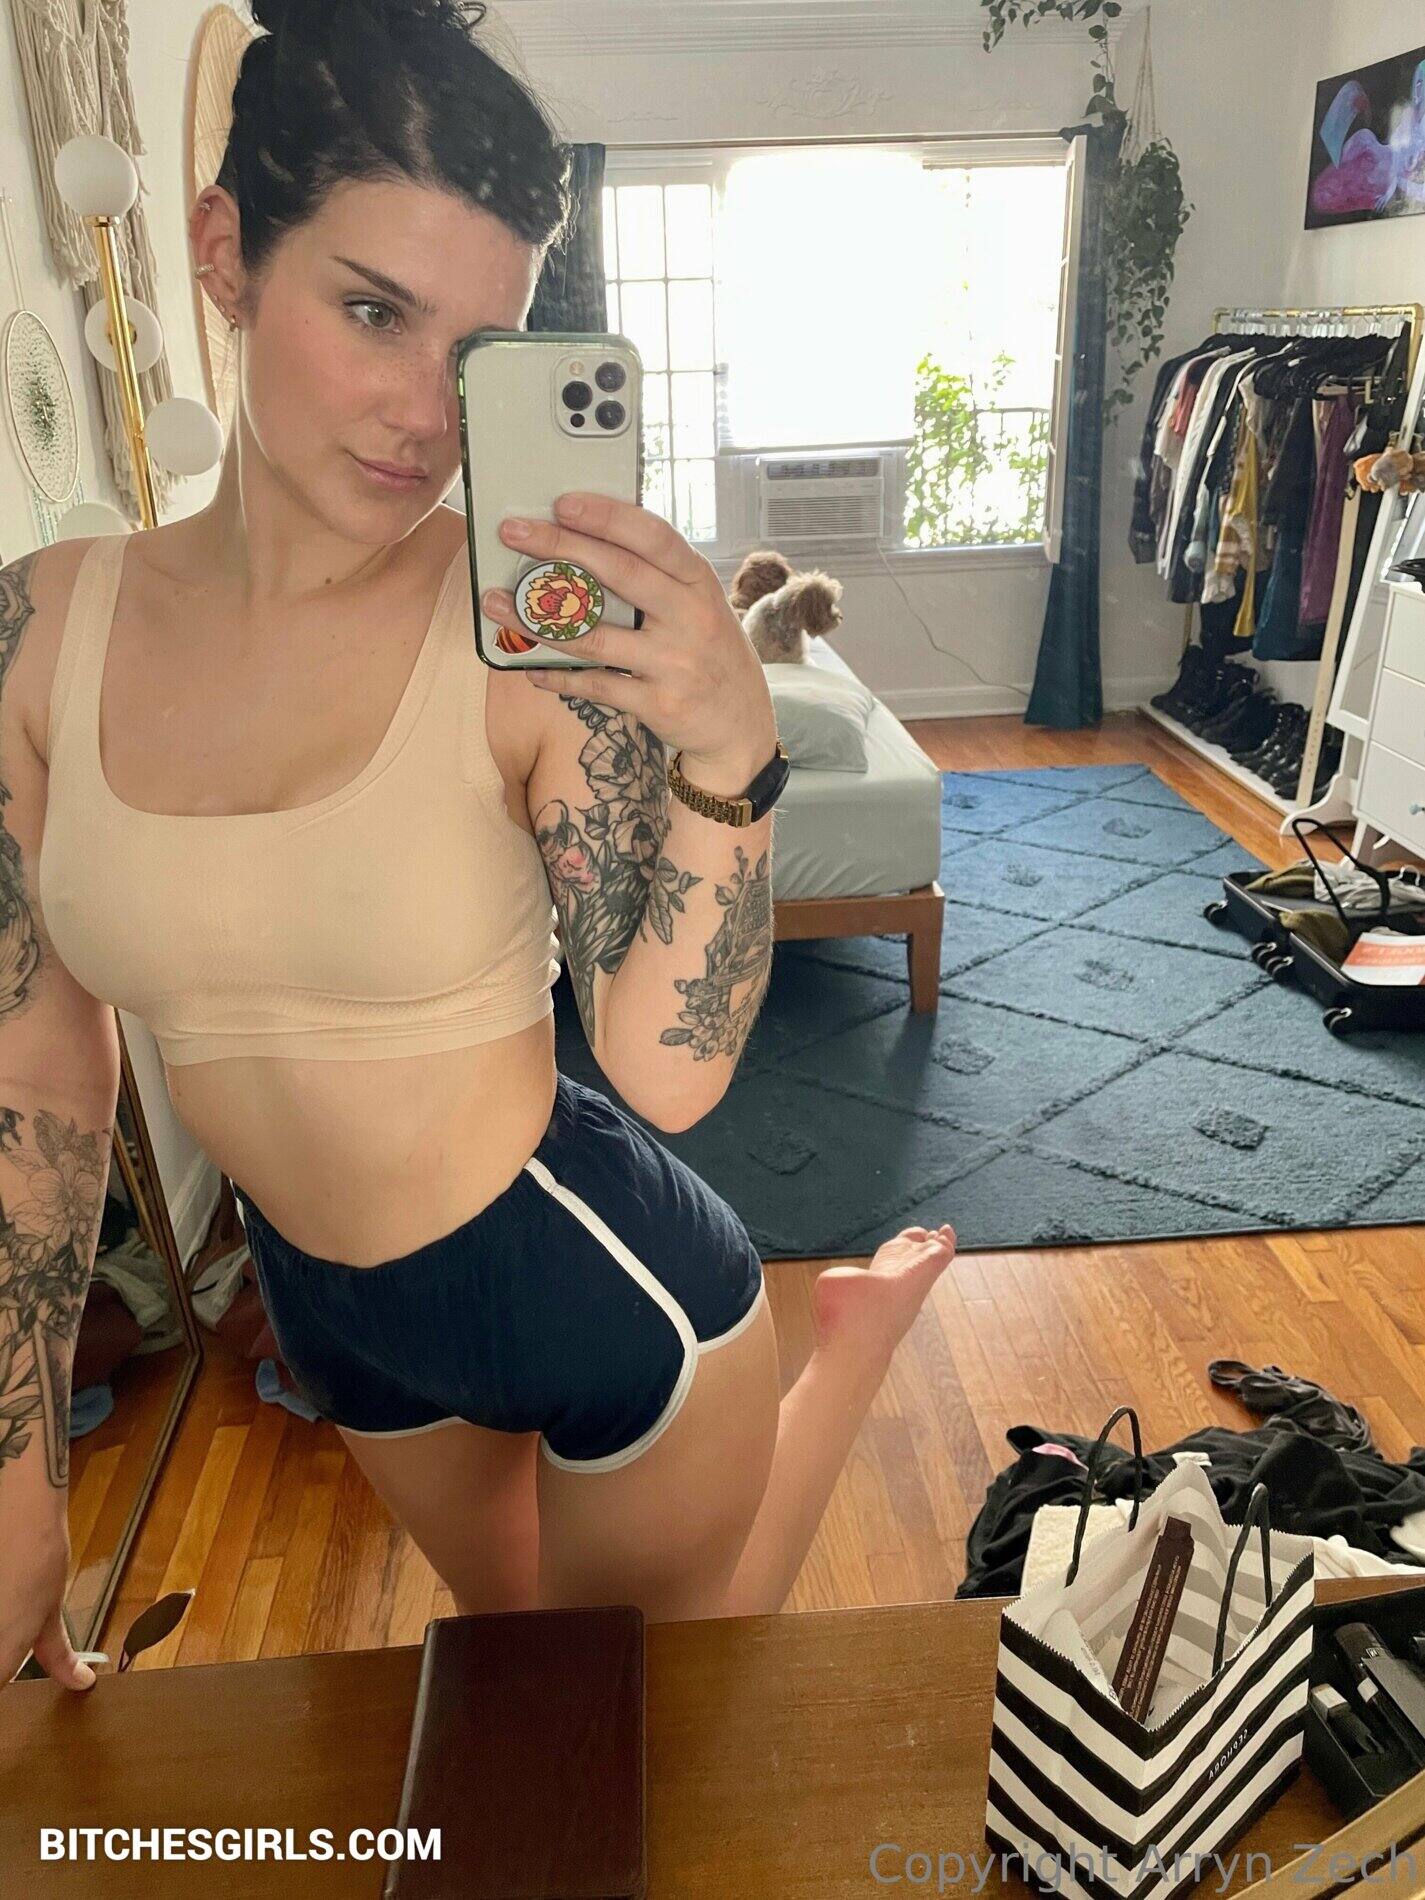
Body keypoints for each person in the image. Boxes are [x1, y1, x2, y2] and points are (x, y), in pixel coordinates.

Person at [0, 0, 955, 1693]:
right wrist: (21, 1490)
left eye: (478, 354)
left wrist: (728, 750)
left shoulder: (527, 651)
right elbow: (36, 1072)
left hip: (601, 1292)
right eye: (372, 311)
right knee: (517, 1666)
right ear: (223, 254)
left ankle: (841, 1364)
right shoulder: (34, 636)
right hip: (333, 1315)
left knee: (636, 1705)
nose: (422, 416)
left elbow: (665, 1072)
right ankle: (846, 1352)